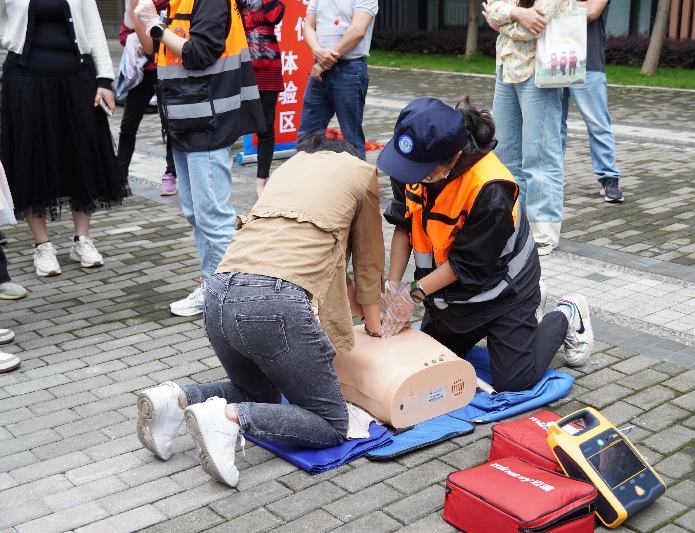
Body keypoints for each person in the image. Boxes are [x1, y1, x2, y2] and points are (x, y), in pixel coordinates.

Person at [135, 133, 384, 488]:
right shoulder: (361, 173)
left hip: (217, 294)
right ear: (351, 157)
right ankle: (227, 419)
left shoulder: (289, 171)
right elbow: (369, 267)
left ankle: (173, 400)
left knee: (261, 393)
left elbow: (327, 269)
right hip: (273, 304)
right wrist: (376, 329)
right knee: (330, 424)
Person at [378, 97, 593, 394]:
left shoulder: (491, 188)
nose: (406, 174)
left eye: (417, 170)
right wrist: (392, 287)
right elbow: (404, 224)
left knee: (515, 382)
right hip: (452, 290)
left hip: (504, 287)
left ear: (450, 158)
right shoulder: (412, 165)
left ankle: (566, 314)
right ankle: (506, 323)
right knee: (427, 363)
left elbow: (466, 264)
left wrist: (412, 296)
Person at [133, 0, 266, 316]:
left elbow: (198, 54)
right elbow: (157, 51)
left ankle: (228, 298)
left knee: (211, 214)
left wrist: (157, 26)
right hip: (188, 117)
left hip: (207, 117)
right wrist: (145, 21)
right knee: (197, 212)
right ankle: (214, 286)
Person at [0, 0, 128, 277]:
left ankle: (82, 240)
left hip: (77, 79)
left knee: (80, 157)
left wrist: (105, 80)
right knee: (31, 160)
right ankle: (42, 246)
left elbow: (94, 30)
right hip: (24, 82)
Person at [483, 0, 567, 256]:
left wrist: (502, 20)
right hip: (506, 68)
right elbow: (492, 9)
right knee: (504, 153)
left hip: (541, 71)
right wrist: (517, 13)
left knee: (540, 154)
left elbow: (534, 29)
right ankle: (513, 222)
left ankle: (544, 232)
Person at [298, 0, 379, 160]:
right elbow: (308, 26)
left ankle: (356, 184)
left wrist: (324, 62)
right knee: (308, 135)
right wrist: (317, 51)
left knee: (351, 138)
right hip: (319, 70)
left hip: (349, 69)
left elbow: (357, 31)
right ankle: (308, 181)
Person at [560, 0, 623, 203]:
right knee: (553, 124)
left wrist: (553, 7)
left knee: (597, 123)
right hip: (553, 61)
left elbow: (592, 12)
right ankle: (554, 174)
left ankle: (609, 178)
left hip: (589, 62)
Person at [118, 0, 179, 196]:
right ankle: (120, 174)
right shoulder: (137, 4)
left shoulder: (173, 4)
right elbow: (123, 35)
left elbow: (181, 33)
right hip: (142, 74)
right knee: (128, 125)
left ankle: (171, 174)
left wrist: (154, 40)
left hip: (167, 69)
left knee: (171, 124)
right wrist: (139, 39)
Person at [236, 0, 285, 197]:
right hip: (239, 69)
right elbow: (236, 23)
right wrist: (256, 17)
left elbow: (276, 15)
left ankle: (261, 180)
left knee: (266, 127)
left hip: (269, 70)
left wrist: (254, 15)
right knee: (231, 123)